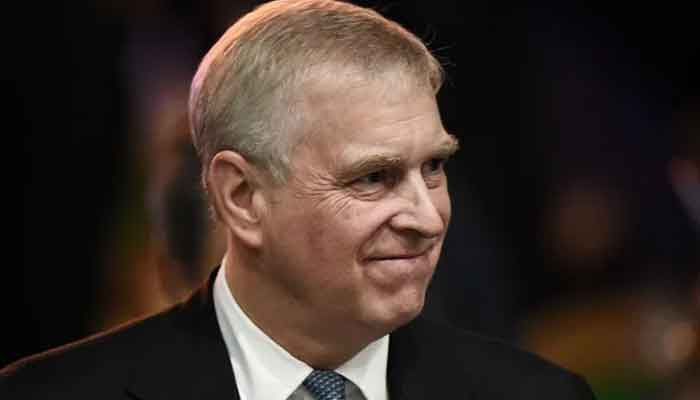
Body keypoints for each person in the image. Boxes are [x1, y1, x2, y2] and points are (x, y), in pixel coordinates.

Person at [2, 1, 597, 398]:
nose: (427, 218)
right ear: (242, 197)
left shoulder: (538, 395)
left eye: (434, 167)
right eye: (374, 177)